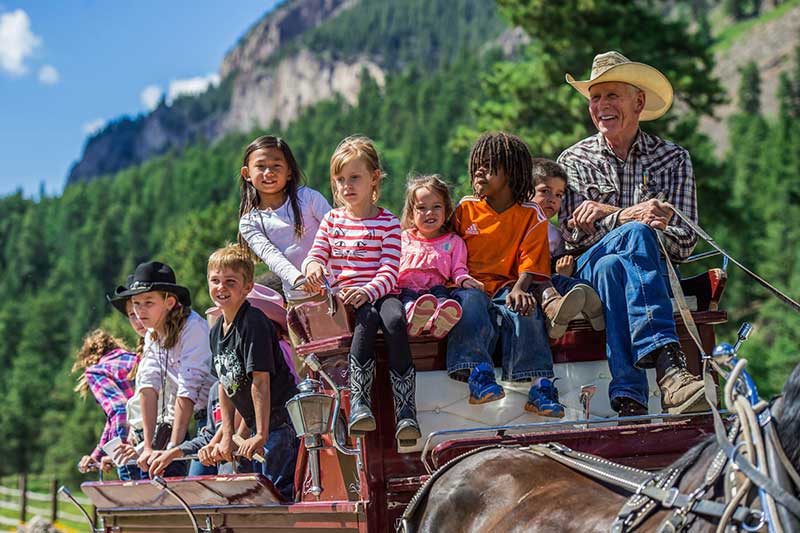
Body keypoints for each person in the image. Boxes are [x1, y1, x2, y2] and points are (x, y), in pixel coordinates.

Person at [557, 51, 707, 416]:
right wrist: (629, 217)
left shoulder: (673, 159)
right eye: (595, 97)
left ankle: (629, 394)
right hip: (584, 270)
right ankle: (669, 368)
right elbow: (573, 237)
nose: (602, 106)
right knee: (635, 235)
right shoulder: (573, 161)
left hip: (625, 269)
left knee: (615, 266)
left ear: (638, 101)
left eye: (612, 96)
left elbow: (685, 242)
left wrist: (609, 216)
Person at [447, 131, 579, 418]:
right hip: (470, 285)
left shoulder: (531, 214)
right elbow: (446, 249)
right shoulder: (465, 209)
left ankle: (540, 386)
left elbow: (531, 259)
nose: (479, 171)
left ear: (511, 172)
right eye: (476, 165)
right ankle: (479, 375)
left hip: (509, 285)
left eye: (488, 165)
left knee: (526, 308)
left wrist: (520, 288)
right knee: (469, 302)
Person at [302, 135, 420, 446]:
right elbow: (316, 254)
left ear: (374, 179)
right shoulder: (331, 221)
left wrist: (369, 290)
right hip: (347, 300)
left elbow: (389, 269)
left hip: (381, 291)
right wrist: (313, 267)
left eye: (355, 177)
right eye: (340, 180)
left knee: (394, 320)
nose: (346, 186)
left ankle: (405, 408)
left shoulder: (388, 223)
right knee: (366, 320)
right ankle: (360, 404)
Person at [205, 244, 299, 500]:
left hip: (280, 421)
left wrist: (260, 433)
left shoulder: (254, 322)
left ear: (247, 288)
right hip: (261, 425)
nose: (221, 288)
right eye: (215, 281)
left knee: (277, 494)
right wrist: (226, 435)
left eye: (230, 282)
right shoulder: (216, 331)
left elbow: (260, 381)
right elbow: (226, 386)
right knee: (256, 496)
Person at [113, 261, 214, 477]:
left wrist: (172, 449)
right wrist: (149, 447)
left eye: (148, 302)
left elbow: (188, 391)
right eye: (136, 303)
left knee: (197, 484)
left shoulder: (193, 328)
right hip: (179, 421)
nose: (140, 311)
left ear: (169, 302)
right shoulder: (152, 334)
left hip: (210, 420)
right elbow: (148, 388)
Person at [237, 135, 332, 362]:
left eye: (276, 166)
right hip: (297, 298)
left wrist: (320, 268)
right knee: (308, 364)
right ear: (246, 174)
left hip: (332, 290)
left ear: (289, 171)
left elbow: (334, 231)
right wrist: (300, 279)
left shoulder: (308, 198)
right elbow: (271, 256)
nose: (268, 172)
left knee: (338, 355)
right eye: (260, 166)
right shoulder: (250, 221)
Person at [397, 174, 483, 338]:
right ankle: (414, 318)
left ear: (446, 210)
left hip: (437, 289)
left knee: (443, 301)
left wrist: (465, 280)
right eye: (421, 208)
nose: (429, 212)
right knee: (407, 302)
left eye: (436, 206)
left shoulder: (453, 242)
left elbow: (458, 270)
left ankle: (439, 321)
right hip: (406, 289)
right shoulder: (403, 238)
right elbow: (392, 267)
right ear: (410, 214)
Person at [530, 158, 605, 334]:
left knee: (573, 283)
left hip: (551, 279)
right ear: (526, 192)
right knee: (553, 282)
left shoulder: (555, 234)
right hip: (530, 283)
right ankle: (558, 319)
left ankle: (595, 314)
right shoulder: (517, 225)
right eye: (545, 191)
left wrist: (564, 271)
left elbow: (558, 263)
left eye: (558, 195)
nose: (552, 200)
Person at [73, 329, 139, 481]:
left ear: (88, 358)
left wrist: (117, 453)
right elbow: (113, 419)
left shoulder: (97, 371)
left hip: (129, 450)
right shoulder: (137, 359)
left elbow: (120, 411)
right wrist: (98, 456)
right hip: (159, 443)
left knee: (138, 501)